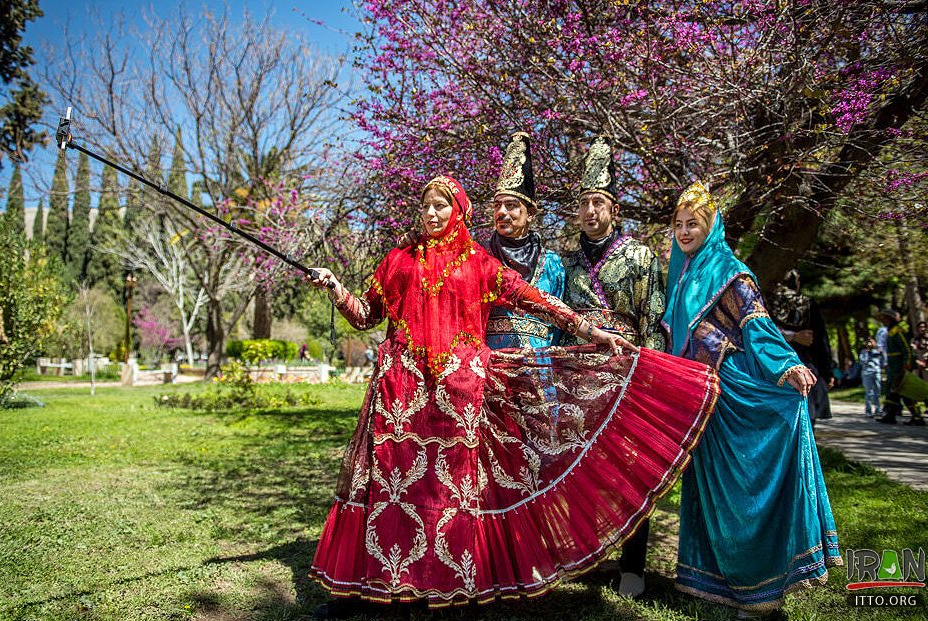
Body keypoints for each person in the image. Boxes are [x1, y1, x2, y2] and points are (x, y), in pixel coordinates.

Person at [305, 174, 720, 618]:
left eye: (440, 206)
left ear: (459, 211)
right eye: (425, 205)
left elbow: (538, 301)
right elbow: (367, 315)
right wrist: (335, 286)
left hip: (458, 399)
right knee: (392, 489)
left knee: (445, 493)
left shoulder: (479, 264)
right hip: (398, 395)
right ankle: (383, 585)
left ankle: (444, 584)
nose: (430, 213)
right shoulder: (397, 261)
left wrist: (591, 331)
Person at [663, 182, 841, 619]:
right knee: (712, 494)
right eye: (679, 225)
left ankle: (762, 591)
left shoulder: (730, 271)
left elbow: (758, 324)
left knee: (744, 492)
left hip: (733, 393)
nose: (685, 232)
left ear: (711, 226)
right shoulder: (683, 272)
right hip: (701, 394)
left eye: (694, 224)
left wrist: (785, 364)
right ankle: (725, 583)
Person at [561, 136, 666, 599]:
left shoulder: (641, 256)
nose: (589, 211)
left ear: (614, 209)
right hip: (578, 379)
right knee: (581, 468)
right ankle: (585, 553)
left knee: (631, 470)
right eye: (583, 203)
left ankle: (633, 564)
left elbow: (655, 320)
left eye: (598, 202)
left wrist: (653, 376)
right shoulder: (564, 263)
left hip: (627, 377)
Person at [483, 132, 565, 349]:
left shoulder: (552, 264)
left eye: (510, 205)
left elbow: (558, 328)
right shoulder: (479, 258)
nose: (501, 212)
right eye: (497, 205)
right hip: (491, 368)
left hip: (540, 369)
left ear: (530, 214)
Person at [767, 269, 834, 423]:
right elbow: (820, 339)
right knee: (807, 417)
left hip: (774, 364)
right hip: (804, 363)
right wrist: (827, 370)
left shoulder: (765, 302)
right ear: (796, 283)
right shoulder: (807, 303)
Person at [876, 309, 924, 425]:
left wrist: (906, 366)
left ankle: (917, 417)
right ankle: (890, 415)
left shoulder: (899, 332)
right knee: (893, 392)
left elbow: (907, 350)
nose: (883, 321)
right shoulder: (890, 332)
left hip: (900, 368)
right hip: (893, 368)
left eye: (885, 318)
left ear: (890, 319)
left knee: (905, 392)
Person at [912, 320, 928, 413]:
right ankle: (927, 406)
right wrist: (917, 361)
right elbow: (912, 353)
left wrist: (926, 363)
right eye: (920, 327)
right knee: (920, 387)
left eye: (924, 327)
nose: (922, 329)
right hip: (918, 367)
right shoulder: (914, 340)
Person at [859, 337, 884, 417]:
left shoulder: (878, 351)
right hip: (867, 373)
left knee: (878, 391)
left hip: (877, 372)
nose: (870, 344)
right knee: (869, 392)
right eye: (868, 342)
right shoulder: (863, 352)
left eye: (872, 342)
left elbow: (883, 361)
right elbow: (862, 362)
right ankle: (868, 411)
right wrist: (868, 352)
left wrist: (879, 351)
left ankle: (878, 410)